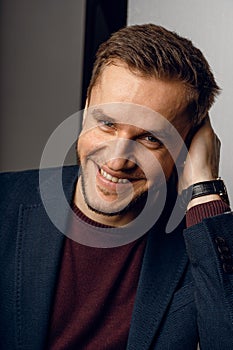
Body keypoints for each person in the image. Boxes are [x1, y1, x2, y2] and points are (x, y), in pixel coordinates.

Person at [0, 23, 233, 350]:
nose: (118, 159)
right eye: (107, 123)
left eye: (151, 138)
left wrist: (204, 189)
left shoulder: (201, 241)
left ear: (187, 145)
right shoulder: (5, 204)